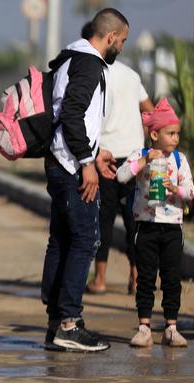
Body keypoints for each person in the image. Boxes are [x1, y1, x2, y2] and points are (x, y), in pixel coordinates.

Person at [41, 8, 128, 352]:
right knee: (85, 239)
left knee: (62, 240)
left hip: (61, 160)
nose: (121, 46)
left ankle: (55, 323)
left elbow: (71, 115)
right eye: (122, 40)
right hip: (71, 166)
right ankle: (69, 324)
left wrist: (96, 152)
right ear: (110, 37)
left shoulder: (69, 58)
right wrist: (86, 162)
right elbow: (72, 114)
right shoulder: (89, 64)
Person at [82, 21, 155, 295]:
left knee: (104, 220)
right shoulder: (131, 75)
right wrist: (145, 137)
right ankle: (136, 277)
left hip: (106, 158)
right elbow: (150, 112)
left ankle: (100, 279)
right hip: (135, 158)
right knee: (134, 219)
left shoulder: (93, 73)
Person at [116, 98, 194, 348]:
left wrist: (176, 189)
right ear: (154, 134)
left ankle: (171, 327)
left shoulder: (179, 159)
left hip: (172, 227)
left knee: (171, 278)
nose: (175, 138)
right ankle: (144, 328)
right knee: (146, 278)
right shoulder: (141, 155)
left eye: (177, 133)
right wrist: (145, 161)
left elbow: (191, 191)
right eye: (170, 133)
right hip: (146, 226)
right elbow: (121, 175)